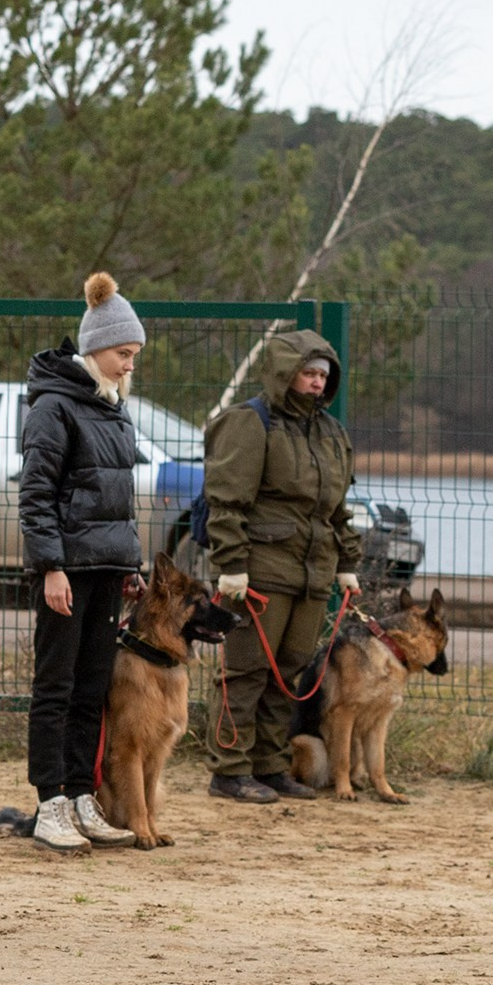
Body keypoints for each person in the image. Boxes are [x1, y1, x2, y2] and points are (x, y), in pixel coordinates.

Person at [16, 273, 147, 853]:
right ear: (95, 347)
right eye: (124, 354)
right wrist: (50, 566)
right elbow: (36, 494)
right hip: (66, 571)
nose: (129, 365)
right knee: (56, 685)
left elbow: (120, 499)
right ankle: (49, 803)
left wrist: (132, 562)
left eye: (135, 356)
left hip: (108, 571)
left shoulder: (114, 409)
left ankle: (81, 794)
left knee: (92, 687)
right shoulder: (53, 408)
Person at [201, 329, 361, 802]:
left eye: (322, 376)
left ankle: (270, 767)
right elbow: (226, 502)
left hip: (313, 571)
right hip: (261, 567)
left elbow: (337, 508)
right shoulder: (251, 423)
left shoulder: (330, 432)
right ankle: (229, 770)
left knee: (287, 670)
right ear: (285, 374)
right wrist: (232, 565)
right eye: (307, 374)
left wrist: (347, 561)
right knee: (245, 669)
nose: (315, 383)